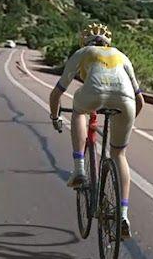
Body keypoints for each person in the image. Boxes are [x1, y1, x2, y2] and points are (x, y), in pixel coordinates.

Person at [49, 22, 144, 239]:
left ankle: (79, 169)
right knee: (119, 154)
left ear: (85, 41)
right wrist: (127, 123)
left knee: (79, 112)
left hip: (92, 94)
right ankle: (123, 216)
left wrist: (55, 118)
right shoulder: (122, 56)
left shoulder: (83, 53)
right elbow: (140, 100)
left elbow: (56, 94)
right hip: (127, 102)